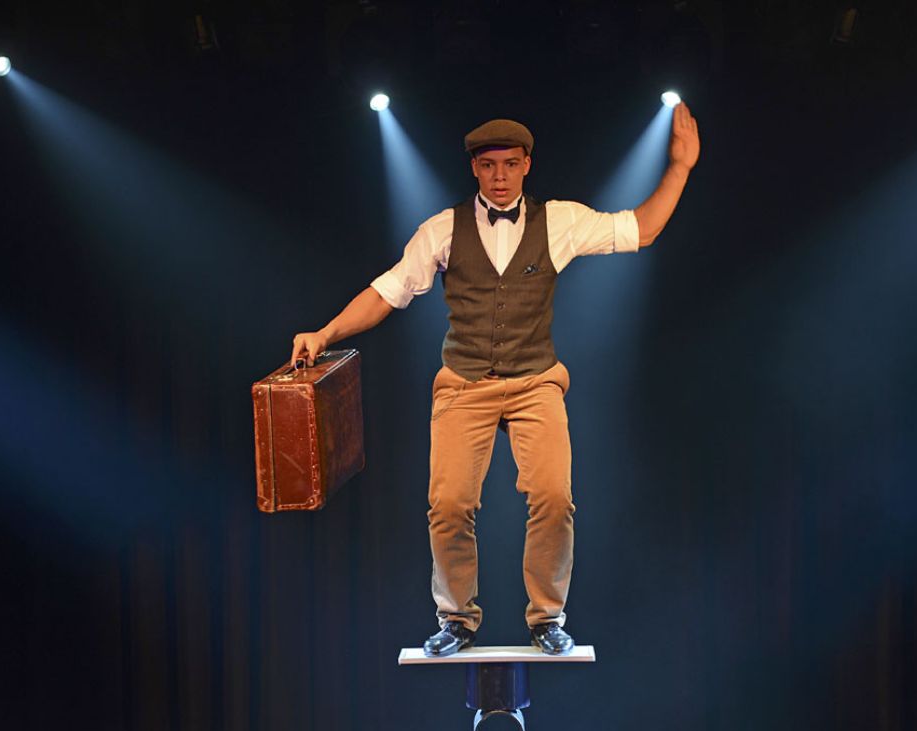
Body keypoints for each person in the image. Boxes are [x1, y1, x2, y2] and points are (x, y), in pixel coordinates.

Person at [291, 104, 700, 657]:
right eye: (488, 166)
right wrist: (326, 332)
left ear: (527, 164)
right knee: (449, 504)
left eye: (510, 164)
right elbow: (388, 291)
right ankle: (457, 618)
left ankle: (547, 617)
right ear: (475, 169)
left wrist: (678, 167)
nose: (500, 176)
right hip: (464, 383)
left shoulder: (558, 221)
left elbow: (642, 228)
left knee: (554, 496)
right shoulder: (443, 228)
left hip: (536, 381)